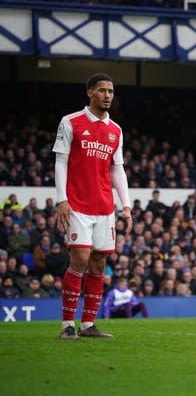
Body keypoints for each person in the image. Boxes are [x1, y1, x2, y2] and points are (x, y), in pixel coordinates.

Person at [53, 73, 133, 340]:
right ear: (90, 93)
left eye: (111, 91)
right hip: (77, 204)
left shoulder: (116, 131)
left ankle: (87, 325)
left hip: (104, 207)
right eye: (102, 91)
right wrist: (61, 199)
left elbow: (117, 169)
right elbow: (61, 162)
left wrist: (126, 206)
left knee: (98, 264)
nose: (108, 95)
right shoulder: (71, 122)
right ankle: (66, 324)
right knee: (81, 259)